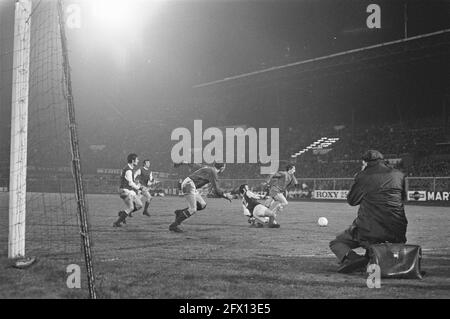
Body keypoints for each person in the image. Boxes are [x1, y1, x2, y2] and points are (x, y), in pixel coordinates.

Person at [329, 150, 408, 273]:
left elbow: (352, 201)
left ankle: (354, 259)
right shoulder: (399, 174)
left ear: (365, 162)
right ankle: (371, 257)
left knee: (337, 243)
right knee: (374, 231)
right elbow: (403, 198)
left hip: (370, 231)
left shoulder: (363, 175)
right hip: (398, 231)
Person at [170, 162, 233, 233]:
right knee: (193, 209)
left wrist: (181, 162)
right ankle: (174, 225)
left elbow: (193, 164)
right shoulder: (213, 173)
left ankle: (180, 213)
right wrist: (226, 196)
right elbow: (217, 191)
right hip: (189, 184)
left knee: (202, 205)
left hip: (190, 184)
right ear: (222, 168)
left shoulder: (208, 168)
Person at [113, 153, 143, 227]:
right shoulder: (128, 170)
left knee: (139, 205)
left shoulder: (129, 169)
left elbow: (129, 181)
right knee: (131, 208)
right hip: (125, 191)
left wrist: (137, 185)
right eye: (137, 159)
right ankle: (117, 223)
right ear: (133, 161)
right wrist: (139, 187)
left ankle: (123, 213)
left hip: (129, 191)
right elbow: (130, 183)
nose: (138, 161)